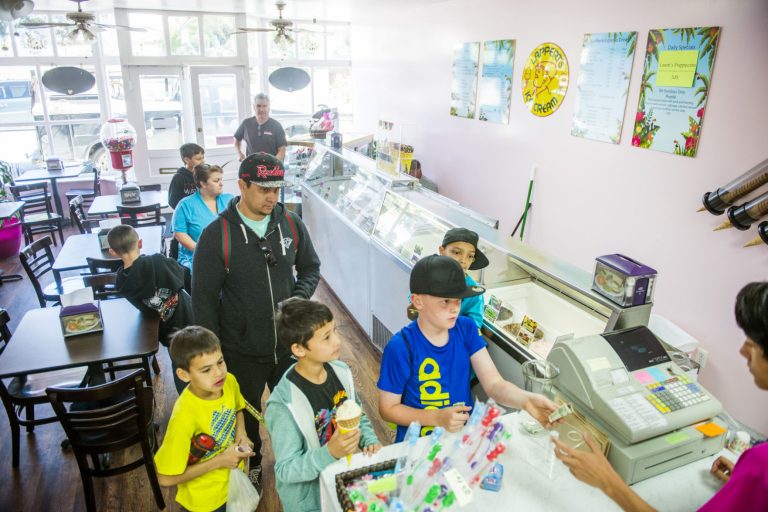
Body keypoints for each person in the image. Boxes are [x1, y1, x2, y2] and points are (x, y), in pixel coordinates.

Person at [553, 282, 768, 512]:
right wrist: (745, 487)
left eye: (751, 344)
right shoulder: (756, 471)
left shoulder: (760, 467)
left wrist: (608, 482)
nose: (742, 352)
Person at [192, 152, 321, 487]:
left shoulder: (291, 222)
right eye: (263, 189)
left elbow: (310, 267)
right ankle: (252, 463)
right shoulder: (216, 235)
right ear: (242, 185)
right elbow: (203, 301)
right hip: (241, 350)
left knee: (295, 409)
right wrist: (213, 356)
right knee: (246, 416)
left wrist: (298, 299)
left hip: (290, 345)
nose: (272, 197)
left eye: (276, 189)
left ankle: (298, 461)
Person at [378, 254, 558, 442]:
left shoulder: (466, 328)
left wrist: (526, 400)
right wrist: (436, 417)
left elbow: (494, 384)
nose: (455, 308)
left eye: (458, 300)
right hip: (418, 446)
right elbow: (388, 409)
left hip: (461, 441)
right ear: (418, 301)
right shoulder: (400, 347)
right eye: (445, 301)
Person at [266, 298, 382, 512]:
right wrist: (330, 452)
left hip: (342, 478)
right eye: (326, 337)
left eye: (335, 331)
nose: (337, 341)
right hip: (312, 501)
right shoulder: (283, 406)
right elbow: (285, 470)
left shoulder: (341, 371)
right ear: (299, 349)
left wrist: (369, 440)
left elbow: (357, 413)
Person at [154, 326, 255, 512]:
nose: (218, 373)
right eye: (206, 369)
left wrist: (242, 433)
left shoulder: (229, 381)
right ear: (184, 375)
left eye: (220, 362)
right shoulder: (184, 417)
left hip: (233, 485)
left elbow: (238, 407)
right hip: (205, 502)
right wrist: (220, 461)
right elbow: (165, 478)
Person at [109, 224, 192, 394]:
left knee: (180, 364)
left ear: (113, 252)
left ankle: (187, 400)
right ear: (139, 243)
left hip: (166, 328)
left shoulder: (122, 282)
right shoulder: (157, 260)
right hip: (188, 315)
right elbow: (181, 275)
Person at [407, 227, 488, 329]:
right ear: (442, 251)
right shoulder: (428, 275)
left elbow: (474, 326)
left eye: (470, 256)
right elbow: (412, 310)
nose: (463, 260)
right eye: (457, 252)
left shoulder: (474, 292)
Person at [172, 163, 235, 270]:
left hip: (228, 254)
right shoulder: (185, 205)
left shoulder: (229, 199)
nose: (221, 184)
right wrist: (202, 252)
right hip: (197, 257)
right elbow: (179, 234)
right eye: (216, 181)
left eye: (221, 180)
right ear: (202, 184)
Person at [169, 143, 205, 261]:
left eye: (203, 157)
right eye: (198, 158)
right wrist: (187, 211)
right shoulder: (179, 178)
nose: (202, 161)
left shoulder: (203, 176)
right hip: (184, 218)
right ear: (186, 159)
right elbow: (173, 201)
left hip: (200, 217)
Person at [233, 93, 287, 162]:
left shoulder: (276, 126)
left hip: (271, 168)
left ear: (269, 107)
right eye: (258, 106)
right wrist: (240, 153)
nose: (261, 109)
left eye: (264, 106)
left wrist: (273, 163)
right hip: (252, 167)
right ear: (254, 107)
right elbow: (236, 139)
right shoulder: (246, 124)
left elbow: (282, 151)